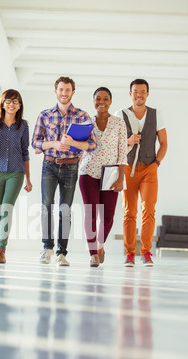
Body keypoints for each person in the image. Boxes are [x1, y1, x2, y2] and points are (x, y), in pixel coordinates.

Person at [32, 76, 97, 266]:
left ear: (72, 92)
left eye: (68, 90)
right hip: (49, 165)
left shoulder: (82, 116)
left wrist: (72, 143)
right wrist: (54, 144)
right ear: (56, 91)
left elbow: (91, 145)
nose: (64, 93)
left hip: (71, 166)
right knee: (46, 205)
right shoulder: (44, 115)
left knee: (65, 210)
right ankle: (47, 248)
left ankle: (61, 253)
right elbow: (35, 142)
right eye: (61, 89)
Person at [115, 79, 167, 267]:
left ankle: (146, 253)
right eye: (136, 91)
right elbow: (113, 144)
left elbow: (163, 143)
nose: (139, 94)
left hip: (149, 169)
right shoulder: (120, 114)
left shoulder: (156, 114)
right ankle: (130, 253)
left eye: (143, 91)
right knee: (129, 212)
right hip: (128, 169)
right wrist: (128, 141)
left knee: (149, 210)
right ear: (130, 93)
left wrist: (156, 164)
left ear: (147, 94)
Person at [0, 89, 32, 264]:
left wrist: (28, 179)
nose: (12, 104)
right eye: (8, 101)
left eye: (16, 101)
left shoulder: (23, 125)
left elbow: (25, 152)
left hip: (16, 172)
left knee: (6, 210)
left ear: (20, 106)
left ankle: (2, 248)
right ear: (2, 104)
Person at [79, 87, 127, 267]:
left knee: (107, 218)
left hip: (111, 174)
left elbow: (123, 153)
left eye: (105, 99)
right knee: (90, 214)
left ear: (111, 101)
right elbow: (79, 147)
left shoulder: (119, 123)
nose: (102, 102)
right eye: (98, 99)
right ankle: (93, 253)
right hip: (88, 173)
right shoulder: (86, 122)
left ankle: (100, 245)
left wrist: (120, 178)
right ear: (93, 101)